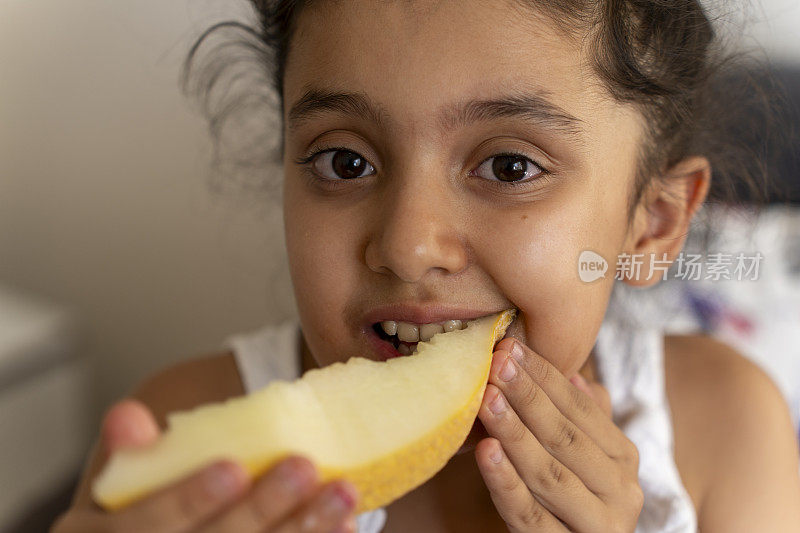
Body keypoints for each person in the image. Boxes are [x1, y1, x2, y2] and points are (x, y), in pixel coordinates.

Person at [53, 1, 800, 531]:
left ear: (653, 223)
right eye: (345, 161)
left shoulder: (724, 432)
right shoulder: (179, 438)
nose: (408, 246)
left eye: (509, 166)